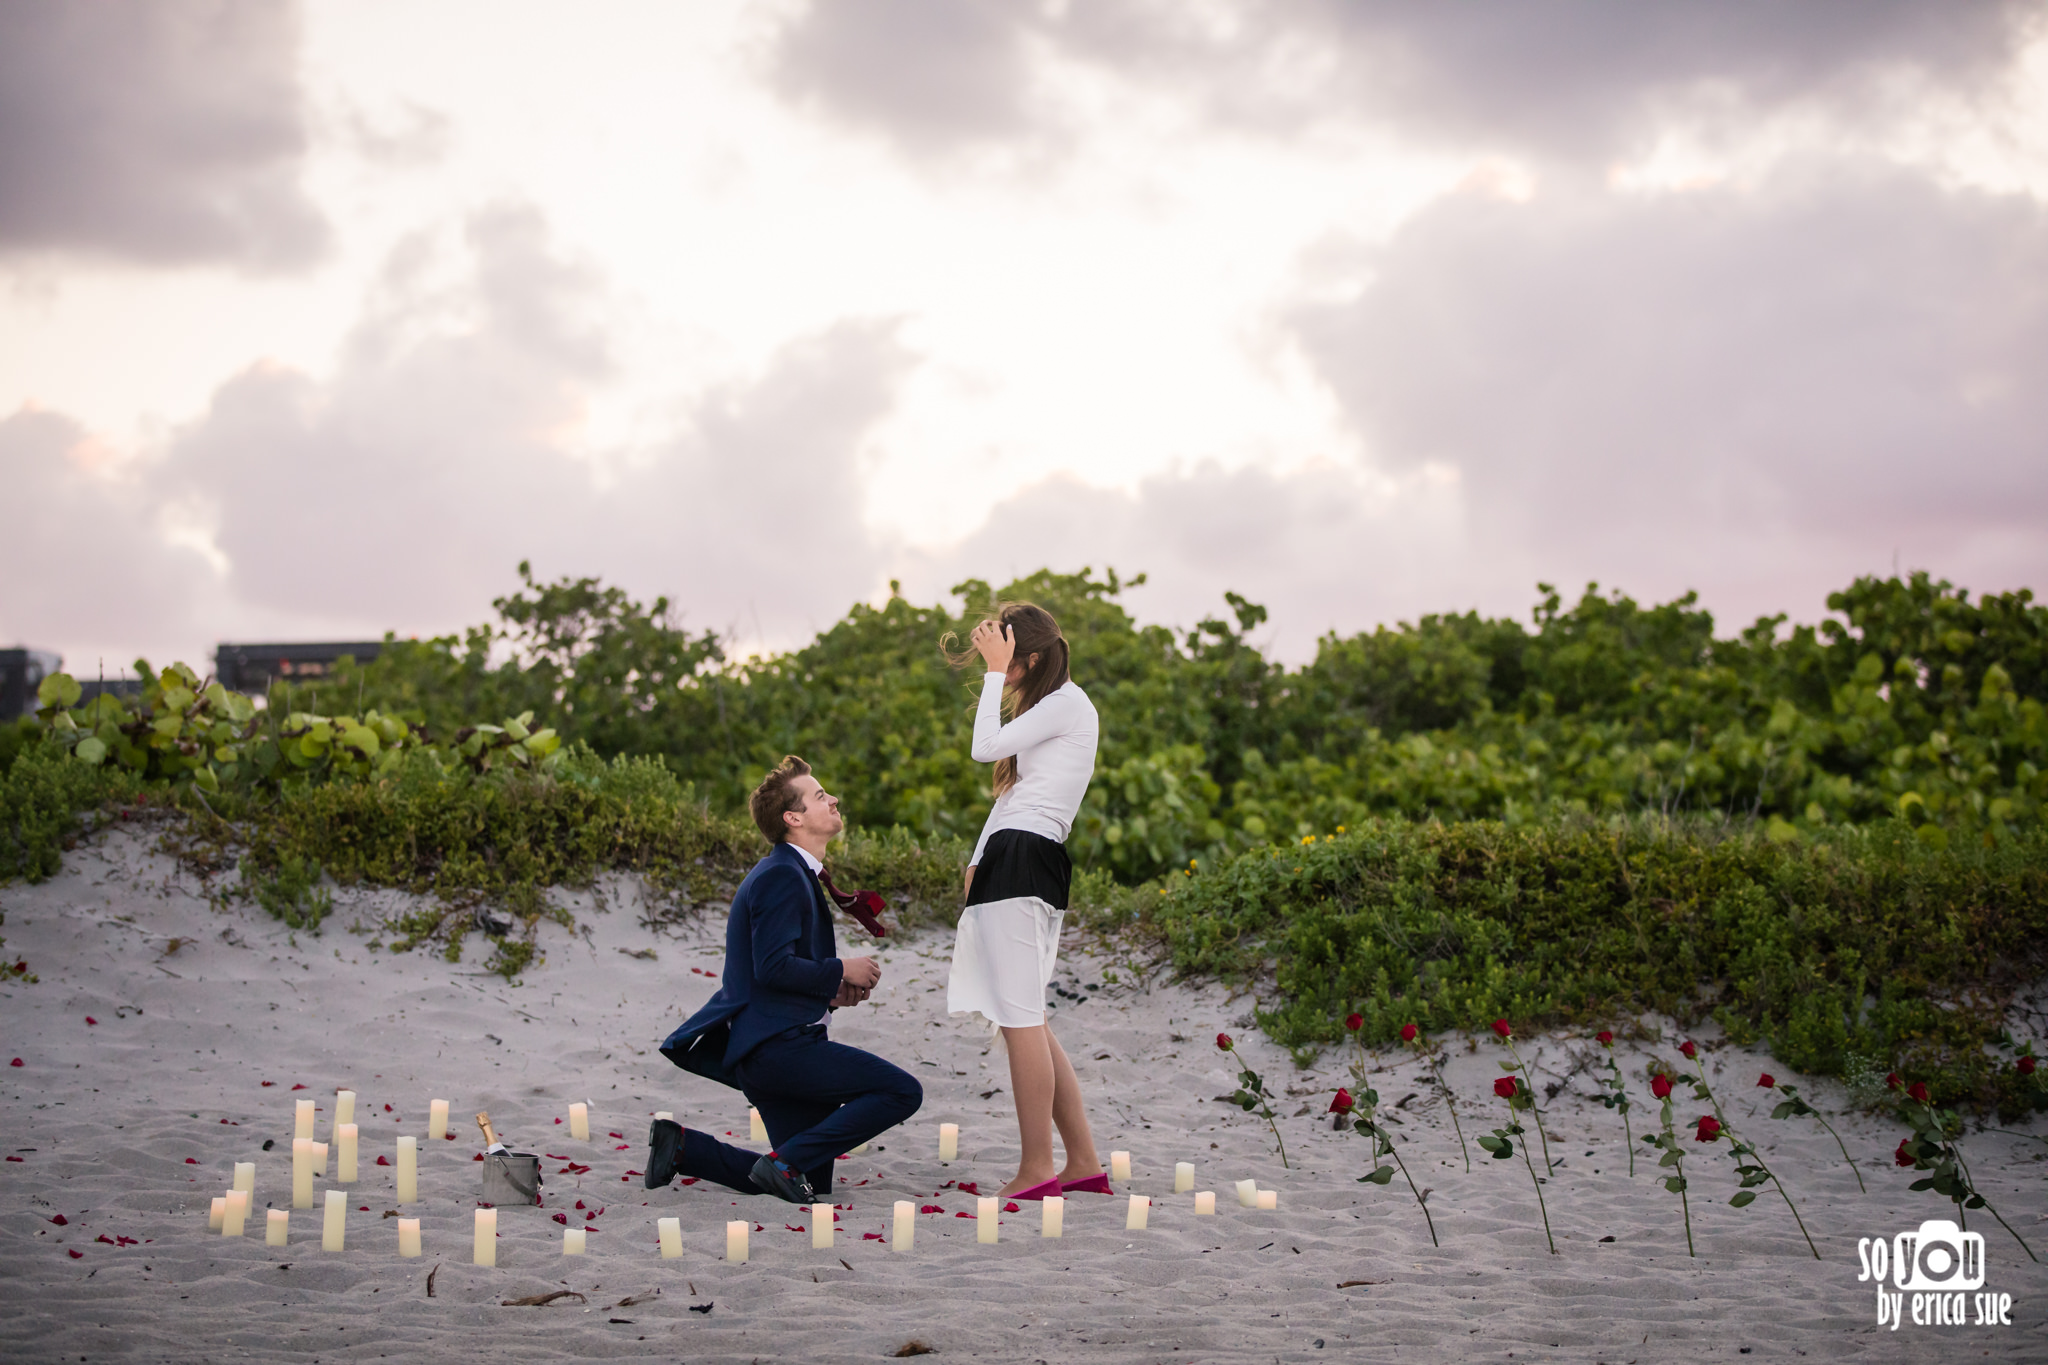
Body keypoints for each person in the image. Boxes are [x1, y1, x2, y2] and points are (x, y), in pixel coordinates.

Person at [643, 756, 922, 1204]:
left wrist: (830, 996)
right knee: (902, 1090)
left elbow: (772, 973)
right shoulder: (780, 876)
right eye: (819, 796)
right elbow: (773, 967)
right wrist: (840, 969)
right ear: (793, 818)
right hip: (778, 1050)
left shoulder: (790, 872)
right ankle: (782, 1162)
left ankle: (683, 1148)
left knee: (811, 1180)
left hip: (769, 1048)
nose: (832, 799)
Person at [944, 602, 1109, 1199]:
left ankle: (1038, 1166)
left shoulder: (1067, 703)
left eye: (1008, 657)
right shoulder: (1048, 708)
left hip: (1028, 856)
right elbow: (1010, 792)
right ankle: (1083, 1162)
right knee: (1028, 1016)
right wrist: (976, 858)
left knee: (1020, 1020)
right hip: (1012, 852)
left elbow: (982, 748)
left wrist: (992, 674)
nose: (1000, 668)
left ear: (1031, 657)